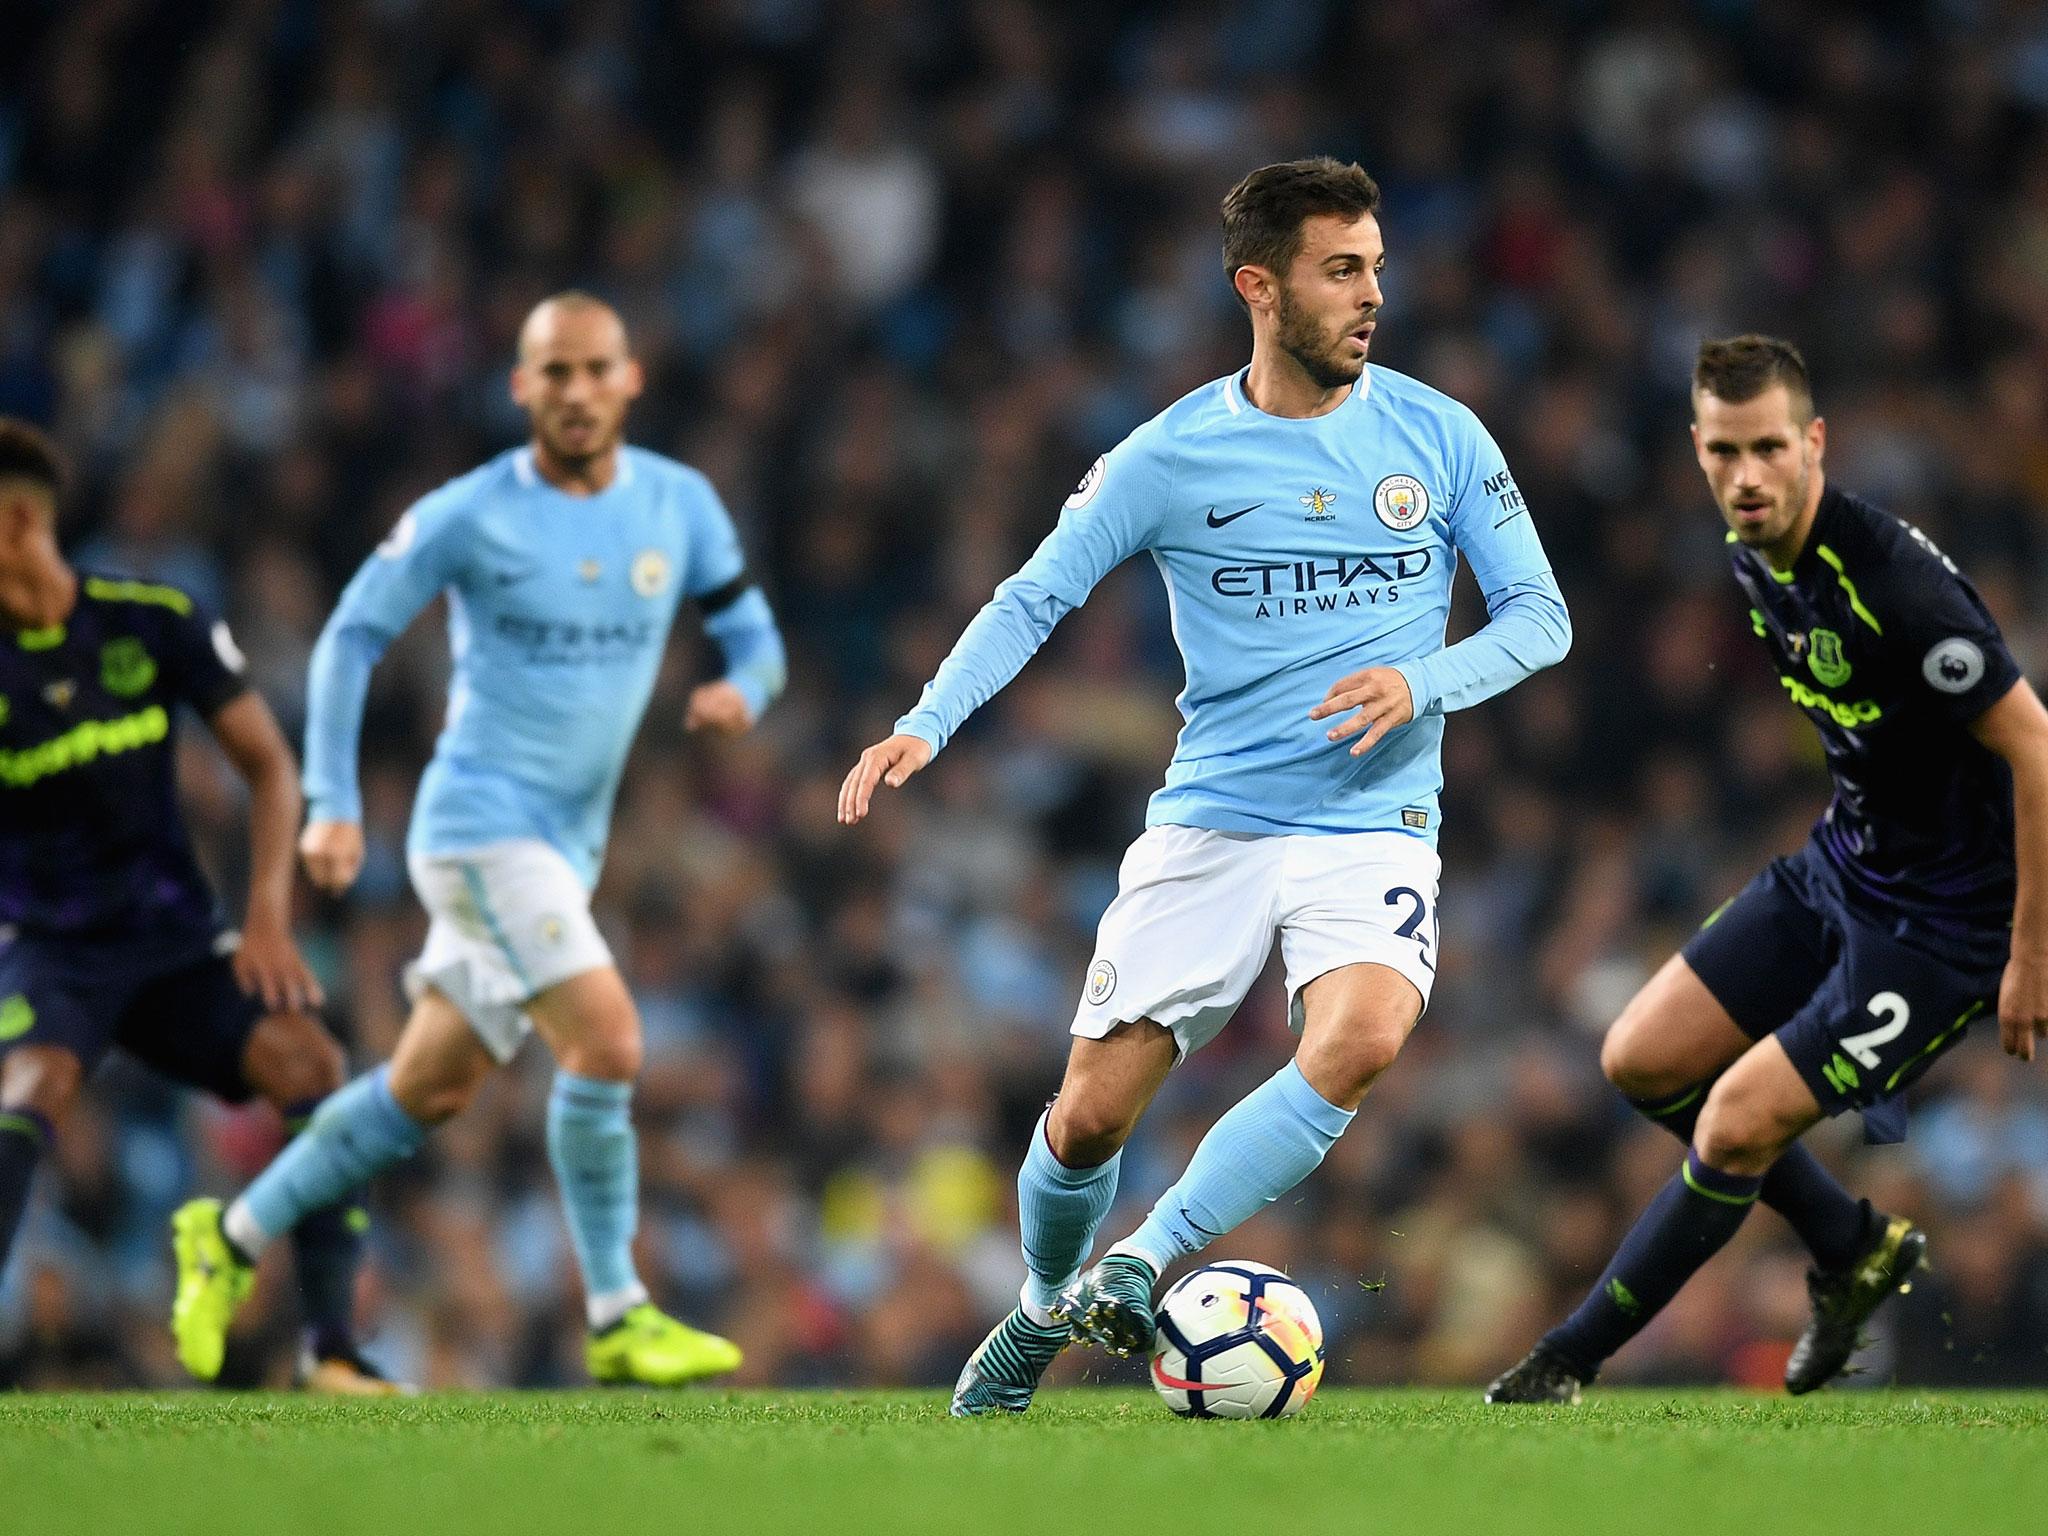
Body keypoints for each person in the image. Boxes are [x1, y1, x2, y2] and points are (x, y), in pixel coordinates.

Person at [838, 157, 1572, 1415]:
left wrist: (1421, 684)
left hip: (1373, 821)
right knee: (1083, 1123)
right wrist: (925, 722)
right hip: (1214, 820)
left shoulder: (1437, 435)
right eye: (1341, 270)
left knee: (1361, 1041)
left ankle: (1145, 1255)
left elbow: (1540, 618)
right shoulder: (1167, 456)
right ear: (1259, 285)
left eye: (1376, 269)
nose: (1370, 295)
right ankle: (1037, 1311)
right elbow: (1036, 595)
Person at [169, 294, 787, 1388]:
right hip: (477, 825)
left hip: (569, 844)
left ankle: (227, 1238)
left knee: (425, 1092)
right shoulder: (469, 513)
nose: (578, 392)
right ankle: (616, 1311)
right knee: (607, 1042)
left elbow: (754, 636)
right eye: (555, 373)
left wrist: (741, 690)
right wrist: (332, 799)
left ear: (628, 380)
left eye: (597, 369)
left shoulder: (680, 505)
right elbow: (353, 631)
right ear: (522, 388)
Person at [1487, 335, 2048, 1404]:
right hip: (1842, 868)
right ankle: (1852, 1247)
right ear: (1696, 451)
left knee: (1735, 1118)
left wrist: (2027, 950)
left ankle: (1565, 1360)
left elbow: (2030, 746)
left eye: (1766, 449)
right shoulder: (1752, 558)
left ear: (1813, 444)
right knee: (1639, 1058)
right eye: (1721, 453)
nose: (1744, 477)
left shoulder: (1895, 583)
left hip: (1943, 930)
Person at [0, 417, 391, 1393]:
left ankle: (332, 1349)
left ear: (16, 525)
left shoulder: (151, 622)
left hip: (176, 944)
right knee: (26, 1092)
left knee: (313, 1062)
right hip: (54, 953)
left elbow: (267, 766)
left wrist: (265, 917)